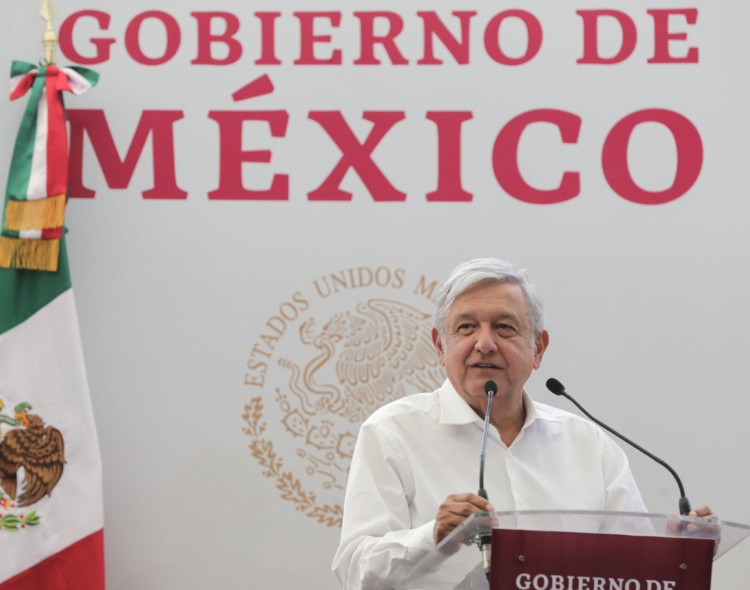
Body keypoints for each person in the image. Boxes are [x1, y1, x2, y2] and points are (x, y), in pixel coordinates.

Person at [332, 258, 714, 590]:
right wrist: (433, 536)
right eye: (465, 327)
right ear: (439, 346)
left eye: (504, 327)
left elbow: (633, 572)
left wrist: (679, 554)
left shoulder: (586, 443)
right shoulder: (392, 432)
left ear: (539, 348)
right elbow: (355, 573)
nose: (484, 343)